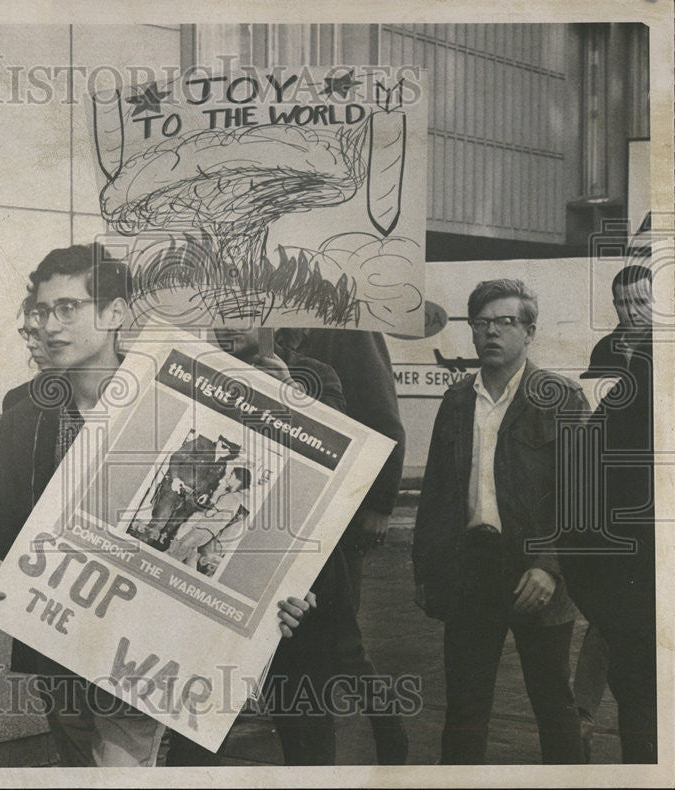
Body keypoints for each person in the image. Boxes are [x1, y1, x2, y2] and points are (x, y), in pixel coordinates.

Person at [0, 244, 318, 766]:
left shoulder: (177, 397)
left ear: (114, 314)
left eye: (69, 308)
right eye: (41, 311)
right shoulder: (24, 412)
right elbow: (7, 522)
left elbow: (251, 509)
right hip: (58, 644)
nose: (51, 325)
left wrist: (287, 593)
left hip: (154, 653)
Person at [167, 325, 389, 766]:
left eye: (239, 315)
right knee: (195, 729)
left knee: (305, 719)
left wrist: (287, 388)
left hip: (298, 584)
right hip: (221, 574)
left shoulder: (312, 375)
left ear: (270, 318)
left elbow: (341, 462)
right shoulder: (205, 372)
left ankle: (390, 735)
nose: (225, 325)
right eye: (217, 314)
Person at [413, 278, 587, 765]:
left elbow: (581, 496)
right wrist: (427, 569)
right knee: (464, 710)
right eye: (482, 323)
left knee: (553, 704)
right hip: (472, 570)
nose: (492, 332)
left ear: (529, 332)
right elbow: (438, 494)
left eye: (506, 322)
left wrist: (549, 566)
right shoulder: (456, 401)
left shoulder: (560, 397)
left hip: (535, 574)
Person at [275, 327, 410, 764]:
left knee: (341, 642)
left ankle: (388, 734)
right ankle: (384, 731)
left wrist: (381, 506)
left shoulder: (347, 331)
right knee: (325, 643)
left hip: (340, 517)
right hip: (292, 521)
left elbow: (384, 419)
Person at [561, 263, 656, 763]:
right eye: (622, 304)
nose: (631, 312)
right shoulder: (606, 352)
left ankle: (586, 711)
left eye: (640, 302)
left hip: (652, 511)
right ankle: (585, 713)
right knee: (613, 623)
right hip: (616, 511)